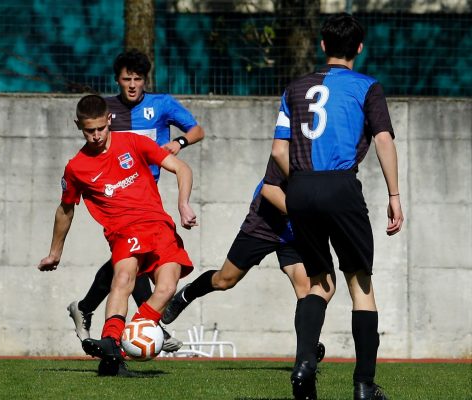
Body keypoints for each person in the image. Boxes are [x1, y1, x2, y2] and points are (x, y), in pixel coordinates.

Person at [271, 13, 404, 400]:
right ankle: (363, 385)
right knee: (360, 284)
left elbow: (279, 149)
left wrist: (299, 183)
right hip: (341, 188)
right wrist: (395, 196)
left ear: (323, 46)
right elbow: (382, 139)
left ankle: (303, 365)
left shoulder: (294, 88)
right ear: (359, 49)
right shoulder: (367, 87)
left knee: (318, 283)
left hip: (300, 189)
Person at [38, 94, 198, 376]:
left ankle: (129, 337)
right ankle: (112, 344)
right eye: (90, 130)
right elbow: (65, 210)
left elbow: (181, 168)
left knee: (167, 288)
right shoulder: (77, 167)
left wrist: (183, 204)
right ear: (78, 125)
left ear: (109, 119)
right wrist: (55, 252)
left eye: (101, 128)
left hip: (159, 225)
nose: (97, 135)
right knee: (123, 278)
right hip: (123, 231)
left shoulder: (134, 142)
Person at [67, 49, 205, 353]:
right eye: (126, 78)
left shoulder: (162, 104)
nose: (132, 84)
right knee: (129, 267)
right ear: (117, 79)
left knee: (127, 266)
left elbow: (197, 130)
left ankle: (89, 310)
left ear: (145, 80)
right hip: (118, 200)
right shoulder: (106, 111)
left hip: (148, 194)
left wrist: (179, 142)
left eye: (138, 79)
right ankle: (143, 328)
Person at [161, 155, 325, 363]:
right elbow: (269, 190)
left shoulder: (326, 153)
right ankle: (187, 294)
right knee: (225, 280)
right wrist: (306, 214)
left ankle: (306, 351)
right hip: (266, 220)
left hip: (296, 229)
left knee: (305, 288)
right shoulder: (288, 147)